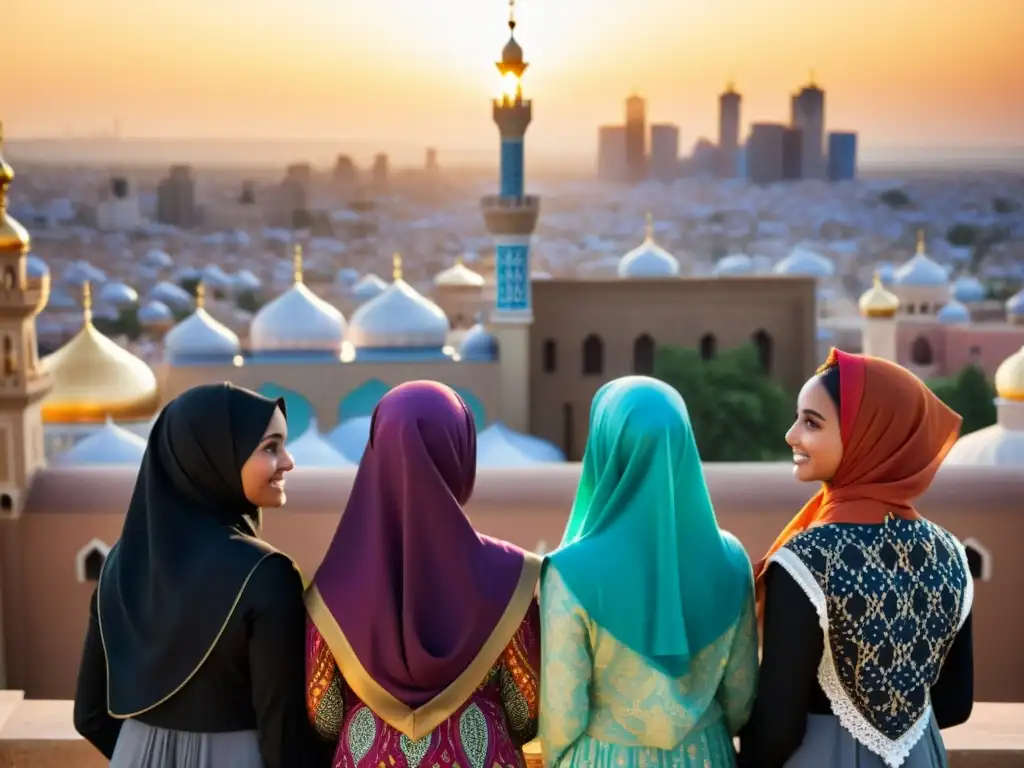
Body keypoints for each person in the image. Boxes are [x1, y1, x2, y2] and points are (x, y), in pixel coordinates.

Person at [738, 349, 974, 768]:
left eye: (811, 422)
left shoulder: (808, 561)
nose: (792, 435)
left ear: (869, 435)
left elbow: (777, 727)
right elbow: (955, 704)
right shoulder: (951, 553)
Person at [73, 383, 323, 768]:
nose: (288, 462)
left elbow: (89, 715)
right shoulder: (266, 575)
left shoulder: (122, 562)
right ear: (216, 457)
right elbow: (282, 737)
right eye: (270, 448)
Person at [305, 380, 543, 767]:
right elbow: (524, 712)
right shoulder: (510, 577)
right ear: (460, 453)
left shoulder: (334, 586)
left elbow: (325, 717)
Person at [539, 376, 757, 768]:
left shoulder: (569, 572)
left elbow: (562, 714)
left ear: (606, 445)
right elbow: (740, 697)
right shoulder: (731, 559)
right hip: (707, 754)